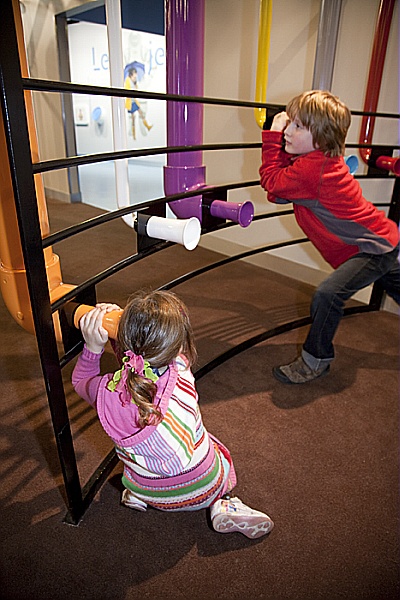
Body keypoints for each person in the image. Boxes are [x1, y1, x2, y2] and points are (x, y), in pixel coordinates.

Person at [72, 290, 274, 539]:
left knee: (140, 460)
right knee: (205, 444)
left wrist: (94, 346)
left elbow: (82, 380)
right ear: (178, 344)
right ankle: (224, 503)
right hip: (204, 488)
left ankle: (137, 495)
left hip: (150, 492)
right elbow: (140, 361)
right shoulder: (181, 367)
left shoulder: (109, 396)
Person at [259, 90, 400, 384]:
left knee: (328, 294)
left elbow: (272, 182)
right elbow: (278, 192)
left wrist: (271, 138)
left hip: (372, 247)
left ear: (321, 139)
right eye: (289, 123)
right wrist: (283, 156)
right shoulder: (317, 161)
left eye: (298, 126)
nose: (287, 129)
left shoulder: (314, 169)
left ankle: (315, 361)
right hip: (379, 240)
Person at [124, 67, 152, 139]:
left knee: (140, 113)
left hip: (134, 102)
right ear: (131, 74)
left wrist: (135, 84)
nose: (135, 76)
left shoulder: (133, 81)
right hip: (131, 103)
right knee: (133, 118)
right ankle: (134, 134)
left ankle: (147, 126)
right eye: (134, 75)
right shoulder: (127, 81)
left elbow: (135, 89)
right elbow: (127, 90)